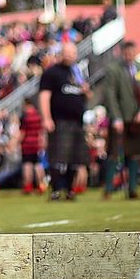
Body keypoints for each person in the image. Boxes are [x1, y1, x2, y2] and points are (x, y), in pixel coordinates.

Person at [38, 42, 90, 201]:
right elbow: (44, 96)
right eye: (67, 52)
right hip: (60, 120)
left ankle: (70, 190)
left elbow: (86, 95)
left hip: (77, 121)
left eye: (73, 53)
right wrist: (46, 118)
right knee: (58, 157)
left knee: (75, 159)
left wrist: (86, 92)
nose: (70, 55)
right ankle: (55, 190)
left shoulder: (77, 72)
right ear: (61, 53)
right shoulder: (52, 73)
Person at [98, 41, 140, 200]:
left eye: (132, 53)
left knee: (134, 154)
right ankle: (109, 189)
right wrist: (116, 117)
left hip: (136, 119)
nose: (129, 56)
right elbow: (110, 94)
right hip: (119, 119)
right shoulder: (113, 69)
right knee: (114, 154)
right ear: (122, 53)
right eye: (127, 53)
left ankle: (132, 189)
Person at [17, 97, 46, 195]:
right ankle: (41, 185)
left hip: (27, 144)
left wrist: (17, 142)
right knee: (38, 164)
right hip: (37, 143)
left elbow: (22, 132)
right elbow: (42, 130)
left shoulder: (25, 116)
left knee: (27, 165)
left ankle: (28, 187)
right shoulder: (38, 115)